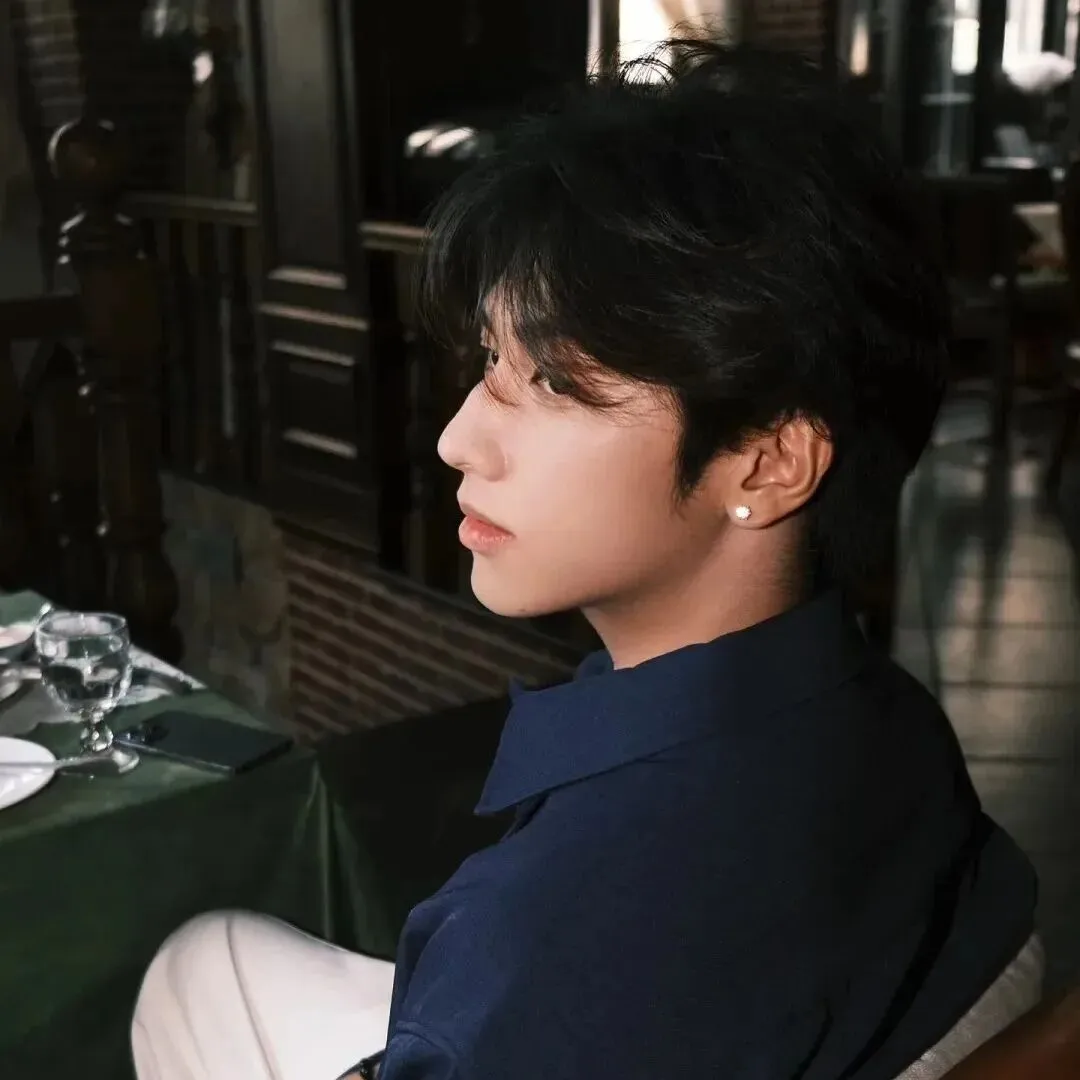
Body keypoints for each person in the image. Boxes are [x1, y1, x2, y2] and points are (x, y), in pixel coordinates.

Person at [132, 41, 1041, 1080]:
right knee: (206, 962)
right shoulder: (885, 713)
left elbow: (559, 979)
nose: (459, 439)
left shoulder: (564, 934)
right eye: (491, 359)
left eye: (556, 383)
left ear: (768, 461)